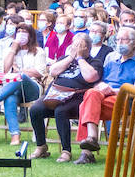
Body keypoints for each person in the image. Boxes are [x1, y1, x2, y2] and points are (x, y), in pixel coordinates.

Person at [74, 25, 135, 164]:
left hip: (123, 100)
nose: (119, 42)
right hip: (102, 99)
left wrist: (114, 90)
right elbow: (99, 83)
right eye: (118, 39)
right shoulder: (111, 63)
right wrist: (101, 86)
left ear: (134, 42)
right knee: (91, 93)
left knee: (84, 105)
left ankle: (87, 151)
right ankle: (90, 140)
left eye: (124, 40)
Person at [28, 28, 107, 162]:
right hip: (55, 95)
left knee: (61, 111)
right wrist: (71, 57)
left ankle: (66, 151)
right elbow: (53, 71)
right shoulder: (65, 58)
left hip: (76, 98)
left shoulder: (95, 62)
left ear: (87, 47)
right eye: (74, 45)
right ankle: (41, 146)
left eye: (79, 45)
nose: (75, 48)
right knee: (35, 109)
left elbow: (90, 77)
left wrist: (81, 58)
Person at [0, 21, 46, 147]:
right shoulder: (11, 51)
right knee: (10, 98)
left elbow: (39, 72)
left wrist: (20, 72)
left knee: (20, 76)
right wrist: (13, 49)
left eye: (24, 32)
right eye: (19, 32)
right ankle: (15, 135)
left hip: (32, 87)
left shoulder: (39, 51)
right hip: (14, 89)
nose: (21, 35)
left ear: (31, 35)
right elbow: (6, 70)